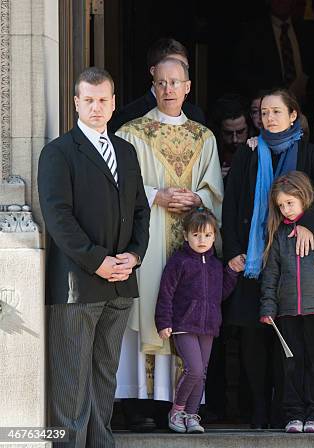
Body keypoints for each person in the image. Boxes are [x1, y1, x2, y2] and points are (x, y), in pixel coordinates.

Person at [39, 67, 150, 447]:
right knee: (71, 380)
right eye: (89, 100)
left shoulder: (126, 150)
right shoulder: (58, 153)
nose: (96, 107)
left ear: (114, 103)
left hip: (121, 284)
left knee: (106, 375)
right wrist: (97, 260)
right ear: (76, 103)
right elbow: (59, 218)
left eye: (103, 100)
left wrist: (134, 255)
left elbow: (141, 211)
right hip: (77, 285)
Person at [223, 88, 314, 428]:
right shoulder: (249, 152)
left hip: (294, 259)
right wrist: (231, 251)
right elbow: (230, 206)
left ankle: (287, 410)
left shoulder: (310, 153)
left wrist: (307, 225)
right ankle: (259, 408)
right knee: (252, 333)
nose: (269, 118)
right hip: (253, 257)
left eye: (277, 112)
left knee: (289, 336)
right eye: (263, 112)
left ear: (293, 115)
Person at [114, 57, 223, 419]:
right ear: (152, 84)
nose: (168, 89)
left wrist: (198, 199)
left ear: (188, 86)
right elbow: (118, 183)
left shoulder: (203, 136)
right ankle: (140, 401)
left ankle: (181, 405)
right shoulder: (131, 133)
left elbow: (214, 189)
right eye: (161, 83)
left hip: (190, 238)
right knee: (148, 307)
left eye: (175, 82)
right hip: (150, 234)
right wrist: (154, 195)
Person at [259, 171, 314, 433]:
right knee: (291, 364)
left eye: (290, 203)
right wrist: (268, 308)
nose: (285, 210)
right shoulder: (278, 233)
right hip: (286, 312)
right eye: (281, 205)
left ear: (305, 198)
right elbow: (271, 273)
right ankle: (294, 414)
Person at [155, 207, 240, 433]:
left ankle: (192, 416)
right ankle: (177, 411)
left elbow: (219, 294)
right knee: (193, 369)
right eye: (196, 235)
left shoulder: (215, 265)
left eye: (207, 235)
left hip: (208, 326)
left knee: (201, 373)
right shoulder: (179, 261)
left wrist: (231, 273)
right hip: (183, 324)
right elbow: (166, 293)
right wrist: (163, 322)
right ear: (186, 235)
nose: (202, 240)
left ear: (214, 236)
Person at [108, 38, 206, 133]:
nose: (179, 71)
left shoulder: (195, 115)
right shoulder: (129, 116)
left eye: (184, 67)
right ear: (153, 71)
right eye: (171, 65)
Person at [210, 93, 254, 178]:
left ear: (249, 128)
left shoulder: (259, 149)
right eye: (228, 133)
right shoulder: (211, 153)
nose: (235, 139)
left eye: (240, 132)